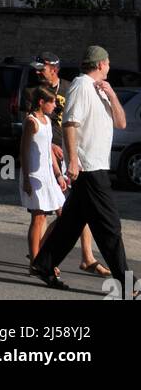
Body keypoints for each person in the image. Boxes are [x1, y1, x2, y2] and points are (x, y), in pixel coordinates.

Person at [31, 45, 132, 296]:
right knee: (109, 227)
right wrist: (73, 161)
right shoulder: (80, 86)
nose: (109, 66)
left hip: (97, 166)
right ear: (99, 64)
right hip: (89, 168)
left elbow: (121, 122)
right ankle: (128, 285)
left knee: (72, 223)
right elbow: (69, 123)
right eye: (107, 62)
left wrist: (112, 94)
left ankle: (43, 264)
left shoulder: (101, 90)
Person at [23, 52, 109, 277]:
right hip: (45, 158)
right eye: (37, 68)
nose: (37, 72)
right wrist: (49, 145)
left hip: (70, 156)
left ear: (54, 68)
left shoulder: (71, 87)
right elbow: (29, 126)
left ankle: (85, 256)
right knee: (44, 212)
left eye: (41, 68)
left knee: (76, 207)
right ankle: (40, 256)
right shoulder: (32, 92)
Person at [20, 86, 67, 271]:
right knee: (38, 218)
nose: (55, 105)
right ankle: (35, 263)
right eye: (52, 102)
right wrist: (25, 179)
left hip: (49, 176)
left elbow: (49, 151)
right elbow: (23, 151)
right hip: (34, 175)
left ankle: (42, 253)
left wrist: (58, 175)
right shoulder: (31, 122)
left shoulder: (47, 120)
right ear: (41, 102)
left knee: (64, 216)